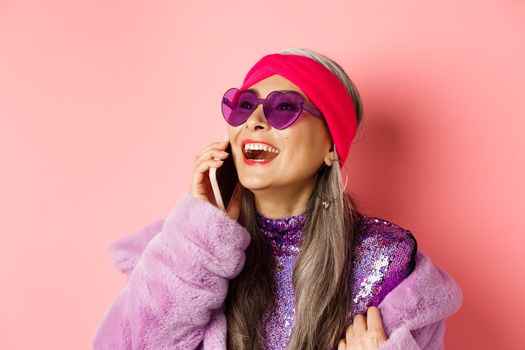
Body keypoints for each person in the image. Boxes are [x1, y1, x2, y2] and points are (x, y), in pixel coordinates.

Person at [92, 48, 463, 350]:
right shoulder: (186, 252)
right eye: (242, 105)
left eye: (284, 107)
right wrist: (200, 236)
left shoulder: (386, 263)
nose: (253, 120)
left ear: (331, 146)